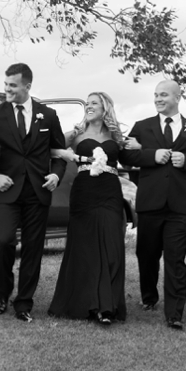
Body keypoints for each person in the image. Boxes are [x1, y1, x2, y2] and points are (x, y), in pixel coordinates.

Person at [0, 63, 67, 322]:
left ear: (27, 86)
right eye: (5, 84)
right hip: (6, 192)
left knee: (33, 247)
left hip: (38, 193)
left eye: (13, 86)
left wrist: (56, 174)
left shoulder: (47, 115)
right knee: (4, 241)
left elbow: (59, 153)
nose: (7, 89)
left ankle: (23, 303)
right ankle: (2, 293)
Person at [126, 79, 186, 330]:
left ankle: (174, 313)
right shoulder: (142, 127)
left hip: (180, 206)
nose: (157, 99)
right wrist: (150, 155)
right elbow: (125, 154)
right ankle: (149, 297)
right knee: (147, 255)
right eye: (155, 95)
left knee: (176, 259)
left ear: (178, 97)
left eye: (163, 94)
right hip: (149, 203)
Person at [48, 92, 139, 325]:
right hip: (84, 192)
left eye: (93, 103)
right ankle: (88, 305)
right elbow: (50, 147)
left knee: (112, 244)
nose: (88, 106)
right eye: (87, 104)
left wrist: (139, 147)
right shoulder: (76, 134)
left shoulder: (116, 136)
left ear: (105, 108)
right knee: (85, 247)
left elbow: (130, 161)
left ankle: (108, 306)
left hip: (109, 191)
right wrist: (65, 154)